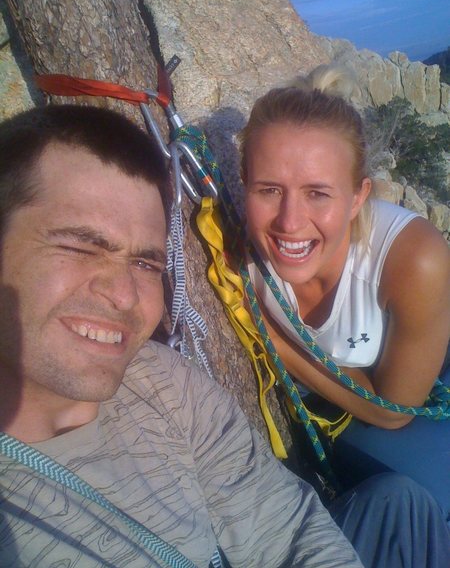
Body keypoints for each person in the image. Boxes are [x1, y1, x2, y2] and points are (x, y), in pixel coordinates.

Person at [0, 105, 448, 568]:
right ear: (244, 187)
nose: (123, 295)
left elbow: (285, 522)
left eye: (145, 263)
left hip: (390, 396)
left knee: (404, 499)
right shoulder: (240, 259)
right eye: (79, 245)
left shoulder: (165, 383)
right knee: (400, 500)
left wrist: (271, 344)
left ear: (358, 197)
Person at [240, 64, 450, 522]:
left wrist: (277, 343)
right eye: (269, 190)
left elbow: (394, 411)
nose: (289, 222)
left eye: (318, 193)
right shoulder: (234, 251)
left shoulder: (413, 259)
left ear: (358, 197)